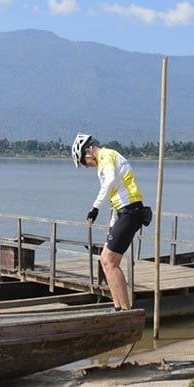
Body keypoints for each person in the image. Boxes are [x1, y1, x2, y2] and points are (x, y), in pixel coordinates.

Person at [71, 133, 150, 311]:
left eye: (83, 162)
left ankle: (126, 309)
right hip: (125, 213)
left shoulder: (106, 155)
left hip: (131, 212)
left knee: (109, 260)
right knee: (107, 261)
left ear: (88, 151)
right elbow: (116, 196)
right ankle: (118, 308)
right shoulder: (107, 159)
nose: (86, 166)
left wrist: (94, 208)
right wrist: (113, 224)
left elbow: (110, 182)